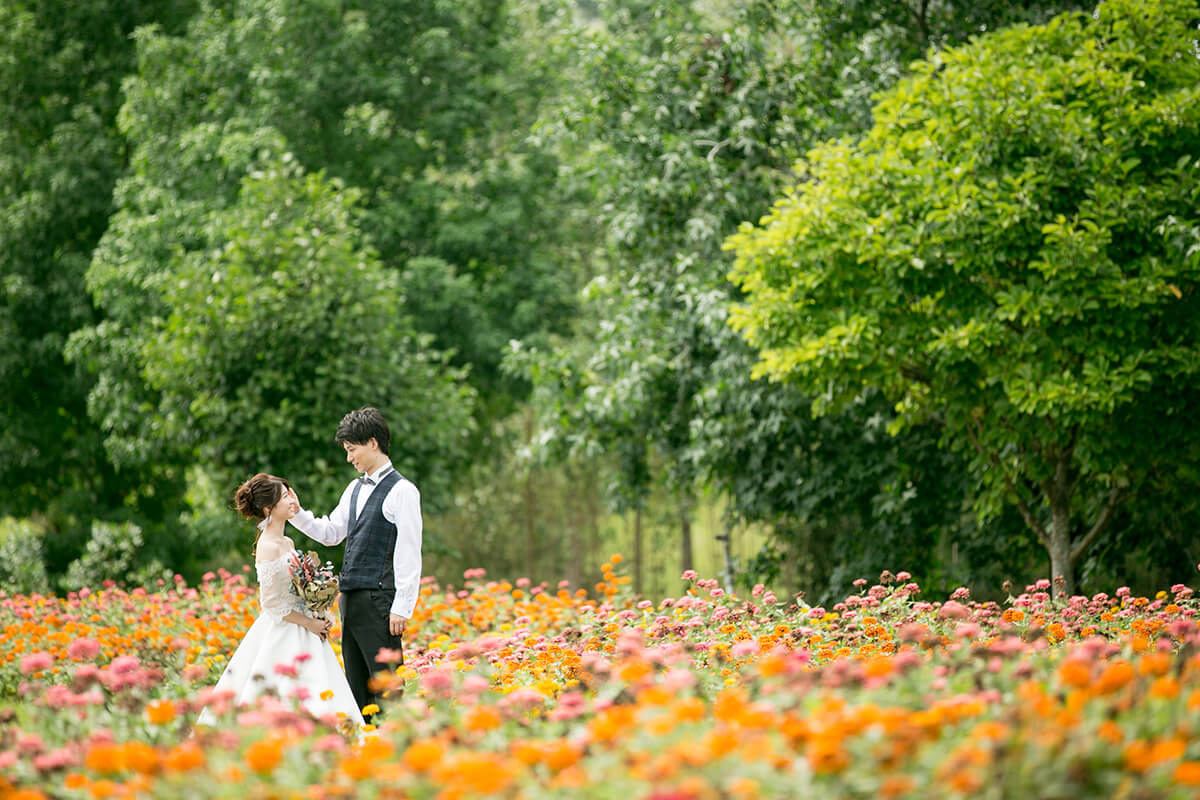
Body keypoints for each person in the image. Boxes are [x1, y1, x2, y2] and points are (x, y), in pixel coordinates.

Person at [196, 473, 364, 729]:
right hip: (286, 629)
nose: (291, 500)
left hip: (306, 626)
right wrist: (308, 623)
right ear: (268, 508)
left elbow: (295, 590)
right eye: (285, 497)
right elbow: (271, 604)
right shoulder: (268, 546)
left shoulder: (287, 542)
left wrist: (317, 606)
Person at [288, 407, 422, 722]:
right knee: (356, 688)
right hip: (350, 600)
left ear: (372, 443)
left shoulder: (403, 491)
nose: (349, 458)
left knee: (387, 686)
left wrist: (402, 606)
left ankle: (393, 751)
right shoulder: (354, 488)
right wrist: (296, 513)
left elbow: (409, 552)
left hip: (379, 602)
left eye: (352, 450)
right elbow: (331, 533)